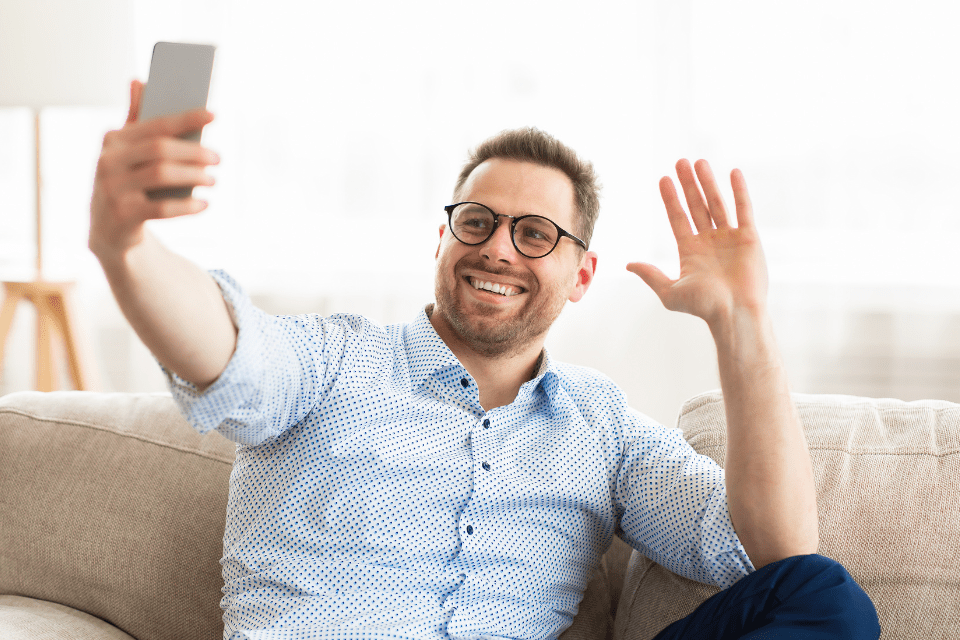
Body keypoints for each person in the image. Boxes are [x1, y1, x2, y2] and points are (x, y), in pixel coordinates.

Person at [90, 80, 880, 640]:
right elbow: (227, 350)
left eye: (535, 234)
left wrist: (743, 324)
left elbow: (775, 552)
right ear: (443, 239)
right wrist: (126, 247)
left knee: (823, 594)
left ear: (581, 276)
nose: (498, 248)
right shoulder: (334, 362)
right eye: (477, 222)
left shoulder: (600, 427)